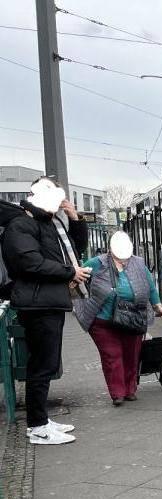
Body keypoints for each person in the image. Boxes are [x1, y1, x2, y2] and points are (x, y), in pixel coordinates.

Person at [2, 177, 90, 444]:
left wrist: (75, 219)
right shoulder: (21, 225)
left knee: (45, 364)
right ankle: (38, 427)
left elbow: (73, 250)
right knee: (41, 365)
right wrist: (69, 272)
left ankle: (40, 420)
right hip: (38, 302)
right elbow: (30, 262)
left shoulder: (45, 224)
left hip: (47, 300)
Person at [78, 232, 162, 406]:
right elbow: (78, 277)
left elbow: (149, 285)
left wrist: (157, 305)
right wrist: (76, 296)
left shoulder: (138, 263)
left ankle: (130, 390)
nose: (123, 260)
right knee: (112, 355)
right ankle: (117, 393)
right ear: (111, 249)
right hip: (103, 320)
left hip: (132, 318)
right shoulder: (97, 263)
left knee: (131, 355)